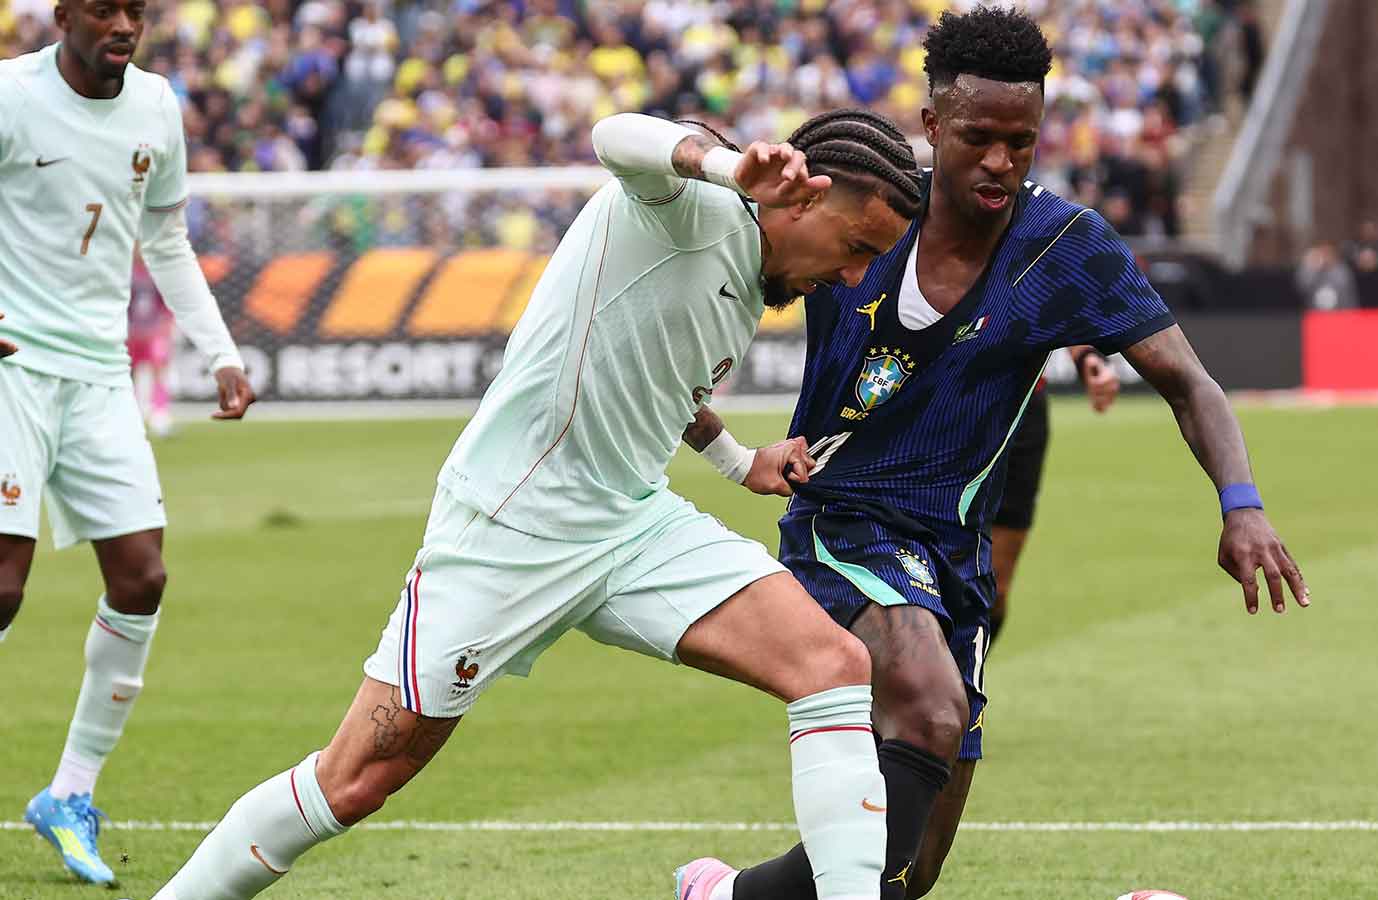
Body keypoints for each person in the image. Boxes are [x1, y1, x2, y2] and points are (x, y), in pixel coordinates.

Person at [151, 108, 926, 900]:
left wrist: (737, 462)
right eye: (857, 247)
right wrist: (728, 168)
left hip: (630, 526)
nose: (857, 275)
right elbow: (615, 134)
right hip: (509, 526)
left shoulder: (749, 282)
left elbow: (671, 387)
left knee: (833, 665)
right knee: (352, 782)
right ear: (798, 201)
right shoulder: (692, 207)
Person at [678, 9, 1309, 900]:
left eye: (1023, 141)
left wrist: (1240, 502)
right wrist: (733, 455)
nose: (1002, 163)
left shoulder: (1067, 247)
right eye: (979, 138)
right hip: (841, 526)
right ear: (934, 125)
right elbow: (676, 342)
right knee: (930, 710)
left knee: (912, 873)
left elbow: (1190, 383)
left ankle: (726, 895)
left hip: (954, 559)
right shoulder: (860, 216)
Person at [1, 0, 257, 885]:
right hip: (10, 369)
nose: (124, 24)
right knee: (2, 585)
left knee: (142, 576)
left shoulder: (156, 106)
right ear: (63, 16)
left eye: (135, 11)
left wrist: (219, 353)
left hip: (101, 376)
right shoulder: (10, 97)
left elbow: (166, 236)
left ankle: (69, 794)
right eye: (104, 9)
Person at [987, 348, 1120, 645]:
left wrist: (1087, 355)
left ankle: (963, 684)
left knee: (994, 586)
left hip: (1023, 408)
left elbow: (1058, 301)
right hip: (944, 400)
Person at [127, 255, 177, 436]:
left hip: (153, 332)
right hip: (129, 333)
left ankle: (160, 413)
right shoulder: (125, 272)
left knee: (159, 369)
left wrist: (165, 327)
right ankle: (129, 414)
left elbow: (166, 305)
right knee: (126, 373)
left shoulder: (157, 274)